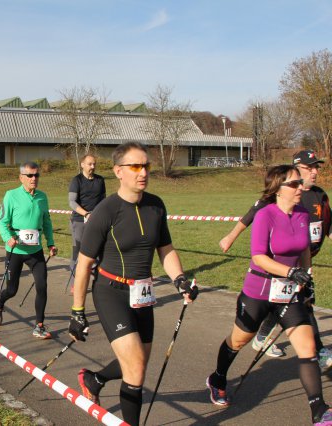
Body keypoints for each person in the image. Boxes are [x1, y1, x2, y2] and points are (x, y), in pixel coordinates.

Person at [68, 143, 197, 426]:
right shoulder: (105, 211)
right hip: (110, 292)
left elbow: (165, 249)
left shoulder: (156, 205)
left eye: (146, 166)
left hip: (142, 293)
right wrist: (77, 311)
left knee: (138, 363)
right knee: (136, 365)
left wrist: (180, 280)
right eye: (135, 166)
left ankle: (94, 379)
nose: (143, 172)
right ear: (118, 172)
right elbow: (84, 264)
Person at [206, 164, 332, 425]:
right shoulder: (266, 214)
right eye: (294, 184)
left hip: (289, 293)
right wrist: (290, 272)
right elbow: (259, 257)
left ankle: (319, 409)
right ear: (278, 189)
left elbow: (304, 249)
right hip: (259, 291)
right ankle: (218, 378)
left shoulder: (302, 213)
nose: (300, 188)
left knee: (307, 348)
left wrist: (306, 276)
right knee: (238, 341)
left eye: (300, 183)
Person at [219, 150, 332, 368]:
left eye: (316, 167)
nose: (315, 172)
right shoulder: (279, 196)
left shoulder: (320, 195)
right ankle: (317, 351)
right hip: (279, 267)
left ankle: (265, 337)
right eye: (309, 168)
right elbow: (250, 216)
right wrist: (230, 237)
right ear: (295, 169)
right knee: (300, 305)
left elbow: (328, 225)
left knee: (286, 304)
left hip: (303, 261)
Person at [0, 161, 58, 339]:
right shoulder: (11, 195)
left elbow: (46, 222)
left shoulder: (42, 197)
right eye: (29, 175)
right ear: (21, 177)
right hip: (15, 251)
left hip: (35, 251)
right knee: (12, 290)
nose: (33, 178)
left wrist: (51, 243)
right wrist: (8, 238)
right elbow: (2, 221)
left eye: (36, 175)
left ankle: (39, 326)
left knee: (42, 286)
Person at [68, 154, 106, 274]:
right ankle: (75, 278)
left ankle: (96, 277)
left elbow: (103, 200)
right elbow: (72, 202)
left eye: (94, 164)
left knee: (97, 249)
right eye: (90, 164)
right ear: (82, 165)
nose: (93, 166)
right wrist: (86, 214)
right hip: (79, 220)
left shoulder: (100, 180)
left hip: (96, 220)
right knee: (78, 250)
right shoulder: (77, 180)